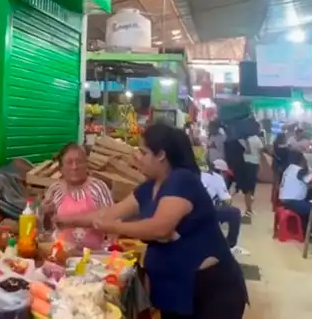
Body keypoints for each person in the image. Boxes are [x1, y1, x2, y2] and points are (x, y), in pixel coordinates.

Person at [57, 124, 248, 319]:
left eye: (143, 152)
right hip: (175, 292)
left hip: (208, 291)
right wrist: (64, 221)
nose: (137, 157)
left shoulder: (181, 180)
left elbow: (160, 228)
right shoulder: (149, 187)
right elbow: (110, 212)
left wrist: (114, 227)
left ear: (161, 155)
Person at [41, 143, 113, 250]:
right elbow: (46, 228)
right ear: (61, 168)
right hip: (61, 255)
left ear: (86, 165)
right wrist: (45, 213)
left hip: (94, 256)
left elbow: (112, 220)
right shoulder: (54, 190)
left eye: (79, 162)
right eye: (69, 162)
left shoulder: (98, 187)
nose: (74, 167)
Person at [201, 159, 247, 255]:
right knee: (235, 213)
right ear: (220, 171)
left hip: (190, 208)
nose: (226, 176)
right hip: (203, 210)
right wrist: (229, 194)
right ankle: (231, 245)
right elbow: (227, 201)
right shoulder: (217, 177)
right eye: (225, 173)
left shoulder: (199, 174)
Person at [278, 151, 312, 229]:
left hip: (284, 200)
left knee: (309, 203)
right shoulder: (299, 170)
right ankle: (307, 231)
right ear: (301, 159)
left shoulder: (289, 168)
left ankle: (303, 229)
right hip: (293, 201)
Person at [236, 131, 263, 218]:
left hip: (246, 164)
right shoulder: (256, 139)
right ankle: (249, 209)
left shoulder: (241, 139)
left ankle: (249, 209)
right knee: (250, 188)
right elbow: (260, 152)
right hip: (253, 164)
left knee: (248, 189)